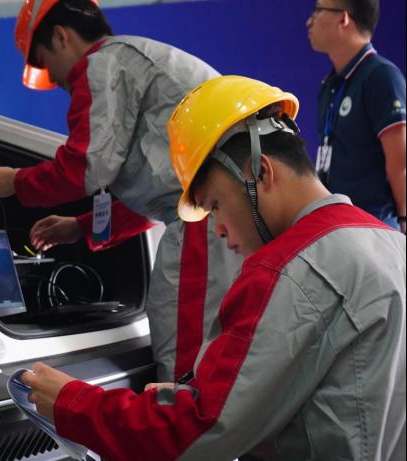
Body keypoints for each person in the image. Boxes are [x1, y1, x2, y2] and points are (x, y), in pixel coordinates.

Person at [22, 75, 406, 461]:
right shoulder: (392, 245)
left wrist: (74, 403)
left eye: (215, 205)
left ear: (261, 173)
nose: (218, 229)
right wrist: (186, 397)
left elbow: (198, 432)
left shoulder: (288, 271)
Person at [0, 0, 241, 383]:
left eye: (46, 63)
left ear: (61, 36)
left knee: (183, 348)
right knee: (217, 347)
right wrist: (81, 227)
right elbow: (165, 190)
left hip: (209, 221)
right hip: (222, 215)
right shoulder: (133, 60)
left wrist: (13, 182)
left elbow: (85, 167)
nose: (56, 80)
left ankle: (183, 419)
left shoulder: (101, 65)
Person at [307, 0, 406, 232]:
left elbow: (401, 164)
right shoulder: (330, 84)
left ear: (343, 19)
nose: (309, 21)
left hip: (374, 228)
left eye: (318, 11)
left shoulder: (381, 77)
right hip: (337, 224)